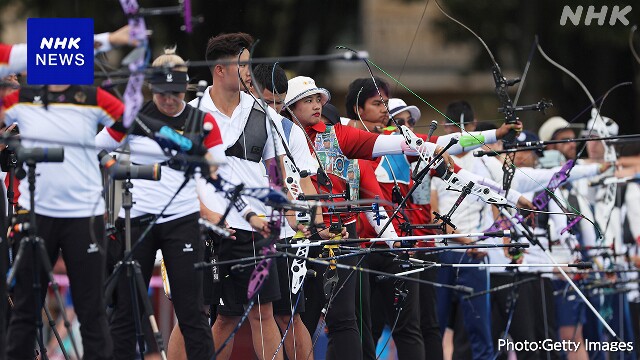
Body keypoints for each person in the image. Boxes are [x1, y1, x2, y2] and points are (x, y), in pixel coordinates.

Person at [95, 47, 220, 359]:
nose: (169, 100)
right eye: (162, 93)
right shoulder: (134, 117)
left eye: (176, 93)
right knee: (127, 310)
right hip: (137, 220)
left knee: (192, 309)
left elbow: (217, 165)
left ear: (185, 87)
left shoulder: (200, 120)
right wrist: (115, 168)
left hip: (182, 221)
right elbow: (94, 148)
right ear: (152, 89)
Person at [2, 78, 124, 360]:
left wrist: (93, 147)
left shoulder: (91, 95)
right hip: (37, 212)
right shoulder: (24, 96)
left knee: (91, 311)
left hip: (84, 214)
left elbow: (124, 123)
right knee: (25, 311)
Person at [190, 32, 290, 360]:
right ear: (219, 69)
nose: (248, 71)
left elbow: (277, 176)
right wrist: (203, 211)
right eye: (242, 64)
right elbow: (181, 175)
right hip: (207, 227)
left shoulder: (265, 114)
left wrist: (281, 212)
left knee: (264, 312)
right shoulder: (191, 114)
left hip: (256, 227)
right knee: (214, 315)